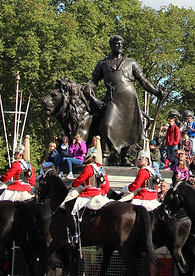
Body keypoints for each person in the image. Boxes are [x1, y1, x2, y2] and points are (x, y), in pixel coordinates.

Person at [86, 35, 163, 164]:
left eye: (121, 43)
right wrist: (89, 85)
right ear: (111, 46)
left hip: (129, 98)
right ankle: (105, 154)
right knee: (106, 125)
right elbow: (94, 79)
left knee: (128, 127)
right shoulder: (103, 63)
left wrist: (156, 92)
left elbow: (143, 81)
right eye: (117, 44)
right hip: (112, 98)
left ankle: (125, 156)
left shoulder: (131, 63)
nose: (120, 46)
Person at [63, 146, 110, 244]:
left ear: (92, 157)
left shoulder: (89, 168)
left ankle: (75, 235)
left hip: (89, 194)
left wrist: (73, 184)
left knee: (73, 210)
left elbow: (80, 180)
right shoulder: (102, 169)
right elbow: (106, 185)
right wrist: (102, 192)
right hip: (100, 193)